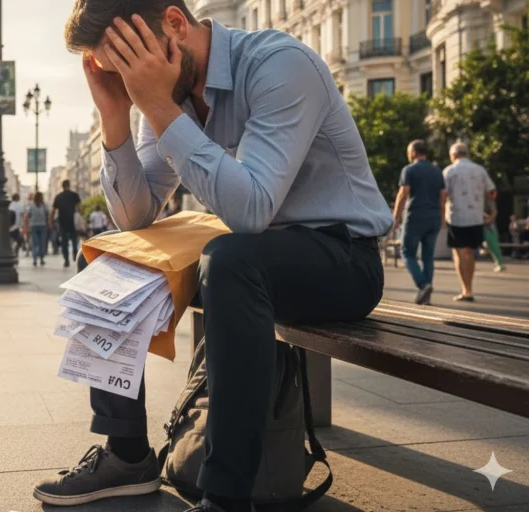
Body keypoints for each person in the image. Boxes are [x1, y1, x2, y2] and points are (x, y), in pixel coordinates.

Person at [32, 3, 393, 511]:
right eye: (120, 72)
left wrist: (157, 106)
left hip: (342, 257)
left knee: (230, 260)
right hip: (251, 259)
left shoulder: (279, 65)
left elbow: (251, 209)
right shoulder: (161, 89)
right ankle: (128, 454)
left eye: (134, 62)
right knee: (110, 259)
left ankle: (226, 494)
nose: (132, 81)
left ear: (176, 25)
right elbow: (134, 219)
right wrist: (115, 117)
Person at [391, 140, 445, 305]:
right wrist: (442, 219)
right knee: (428, 256)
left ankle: (423, 284)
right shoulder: (437, 171)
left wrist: (396, 218)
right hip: (434, 217)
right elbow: (443, 196)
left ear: (413, 153)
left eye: (408, 152)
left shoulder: (409, 170)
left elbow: (403, 194)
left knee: (407, 252)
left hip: (415, 216)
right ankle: (426, 296)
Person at [442, 142, 496, 302]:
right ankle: (469, 288)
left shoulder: (449, 171)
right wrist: (492, 212)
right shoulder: (480, 170)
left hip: (456, 217)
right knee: (469, 252)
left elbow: (443, 194)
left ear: (453, 155)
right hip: (476, 217)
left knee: (459, 253)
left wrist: (440, 217)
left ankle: (466, 290)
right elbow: (492, 193)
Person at [51, 180, 82, 267]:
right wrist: (81, 216)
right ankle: (75, 256)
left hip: (62, 222)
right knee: (74, 240)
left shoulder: (58, 196)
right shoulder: (74, 195)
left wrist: (51, 221)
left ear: (62, 186)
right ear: (69, 185)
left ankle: (66, 259)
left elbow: (53, 211)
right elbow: (80, 208)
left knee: (64, 242)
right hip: (73, 221)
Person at [482, 191, 506, 272]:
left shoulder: (489, 201)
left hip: (488, 226)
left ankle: (500, 263)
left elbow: (494, 213)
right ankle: (499, 263)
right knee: (491, 244)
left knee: (493, 244)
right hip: (482, 224)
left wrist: (488, 220)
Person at [27, 191, 50, 266]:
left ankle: (34, 259)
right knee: (42, 243)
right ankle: (41, 259)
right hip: (42, 226)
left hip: (33, 226)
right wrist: (49, 224)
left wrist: (28, 224)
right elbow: (47, 215)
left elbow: (28, 216)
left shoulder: (31, 206)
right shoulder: (44, 206)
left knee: (34, 243)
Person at [8, 193, 25, 261]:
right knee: (19, 240)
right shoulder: (20, 205)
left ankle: (11, 252)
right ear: (18, 198)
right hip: (17, 226)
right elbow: (22, 216)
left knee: (11, 240)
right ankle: (16, 253)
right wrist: (23, 225)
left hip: (9, 226)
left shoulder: (9, 205)